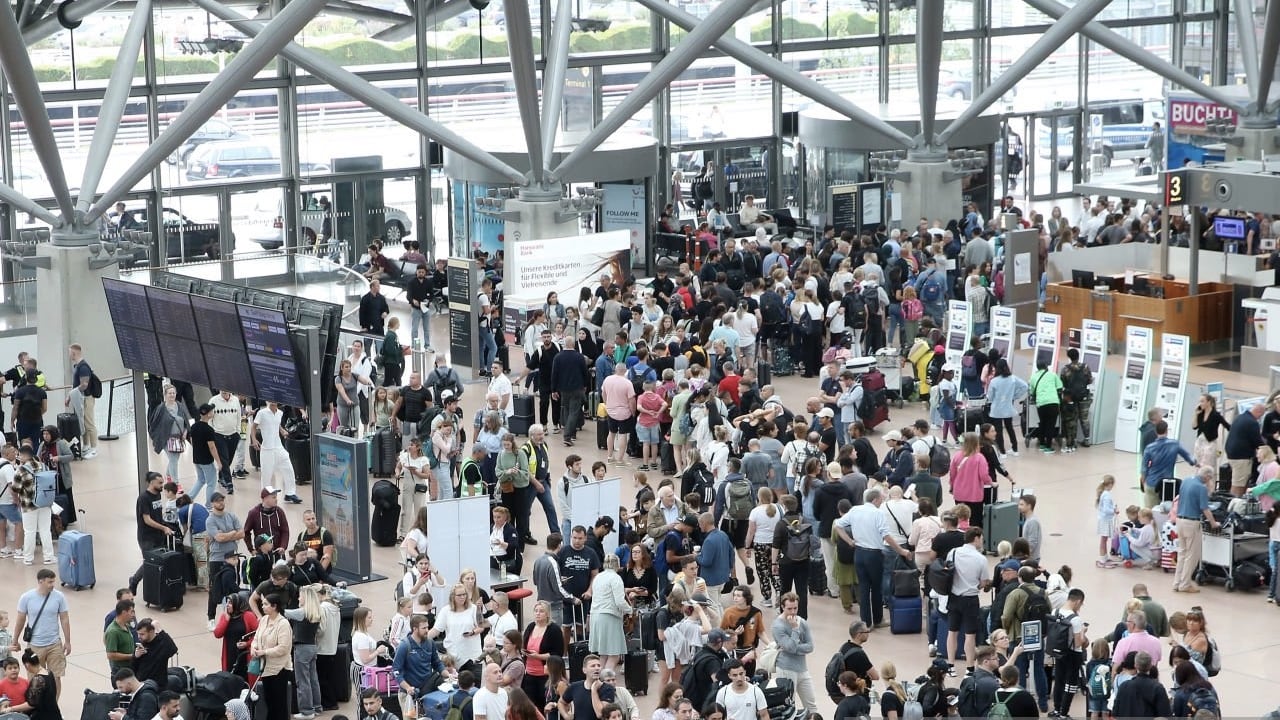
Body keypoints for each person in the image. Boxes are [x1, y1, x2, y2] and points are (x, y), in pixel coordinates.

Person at [833, 487, 913, 629]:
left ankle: (866, 623)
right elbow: (886, 536)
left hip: (859, 553)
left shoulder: (855, 510)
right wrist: (901, 551)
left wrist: (850, 541)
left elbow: (838, 525)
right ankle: (877, 619)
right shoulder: (878, 513)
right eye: (881, 499)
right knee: (876, 588)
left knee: (863, 588)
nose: (882, 502)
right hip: (874, 554)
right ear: (875, 499)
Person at [946, 527, 991, 674]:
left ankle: (951, 665)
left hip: (953, 596)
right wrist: (976, 585)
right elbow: (984, 582)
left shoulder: (952, 552)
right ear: (976, 538)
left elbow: (946, 570)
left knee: (952, 632)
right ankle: (969, 668)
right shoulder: (981, 559)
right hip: (971, 599)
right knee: (969, 635)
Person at [1174, 466, 1220, 592]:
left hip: (1179, 520)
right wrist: (1213, 523)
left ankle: (1177, 582)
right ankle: (1185, 584)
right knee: (1192, 555)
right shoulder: (1201, 488)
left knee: (1182, 553)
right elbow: (1205, 508)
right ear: (1207, 476)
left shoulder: (1186, 480)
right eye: (1210, 478)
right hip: (1191, 522)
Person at [771, 593, 817, 719]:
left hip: (802, 669)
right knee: (789, 706)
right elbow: (790, 647)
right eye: (789, 608)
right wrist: (795, 629)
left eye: (795, 608)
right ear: (782, 607)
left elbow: (810, 646)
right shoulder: (777, 626)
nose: (792, 612)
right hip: (786, 669)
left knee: (812, 705)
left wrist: (792, 648)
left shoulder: (802, 622)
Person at [250, 593, 294, 720]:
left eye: (265, 604)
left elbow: (283, 648)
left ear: (274, 606)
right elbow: (257, 637)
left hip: (279, 669)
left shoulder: (283, 624)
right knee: (269, 701)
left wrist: (264, 652)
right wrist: (254, 646)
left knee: (279, 704)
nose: (262, 607)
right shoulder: (264, 620)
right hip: (266, 668)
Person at [1049, 588, 1088, 718]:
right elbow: (1078, 643)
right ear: (1078, 601)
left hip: (1059, 651)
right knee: (1071, 684)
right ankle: (1064, 713)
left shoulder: (1055, 611)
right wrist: (1083, 631)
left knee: (1059, 680)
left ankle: (1056, 709)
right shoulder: (1075, 619)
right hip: (1073, 654)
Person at [1140, 421, 1197, 509]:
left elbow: (1144, 468)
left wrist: (1143, 482)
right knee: (1167, 510)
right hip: (1167, 484)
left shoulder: (1149, 448)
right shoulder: (1174, 444)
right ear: (1167, 430)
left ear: (1156, 431)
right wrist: (1196, 463)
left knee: (1150, 511)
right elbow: (1189, 458)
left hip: (1152, 483)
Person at [588, 555, 629, 671]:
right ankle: (606, 683)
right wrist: (630, 610)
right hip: (609, 616)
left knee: (603, 654)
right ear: (617, 564)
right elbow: (620, 601)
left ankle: (597, 681)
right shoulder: (616, 578)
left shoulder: (598, 577)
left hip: (595, 615)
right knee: (614, 655)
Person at [521, 600, 564, 703]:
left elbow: (557, 654)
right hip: (529, 673)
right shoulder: (531, 626)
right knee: (531, 704)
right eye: (536, 611)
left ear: (547, 613)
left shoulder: (554, 629)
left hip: (545, 674)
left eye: (541, 611)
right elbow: (524, 643)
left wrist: (538, 656)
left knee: (544, 703)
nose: (538, 613)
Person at [1111, 652, 1171, 718]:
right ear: (1150, 666)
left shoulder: (1124, 686)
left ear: (1135, 665)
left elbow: (1115, 712)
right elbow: (1165, 714)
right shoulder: (1157, 688)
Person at [130, 618, 179, 689]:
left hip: (157, 686)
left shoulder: (162, 643)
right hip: (141, 685)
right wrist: (135, 657)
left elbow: (173, 649)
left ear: (151, 631)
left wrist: (161, 631)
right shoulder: (141, 645)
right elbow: (133, 668)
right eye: (138, 634)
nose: (139, 637)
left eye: (142, 634)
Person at [1029, 360, 1063, 454]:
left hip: (1041, 403)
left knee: (1043, 423)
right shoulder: (1053, 375)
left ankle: (1042, 444)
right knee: (1050, 425)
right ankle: (1048, 447)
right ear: (1045, 366)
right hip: (1053, 402)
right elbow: (1060, 387)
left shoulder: (1033, 377)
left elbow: (1032, 392)